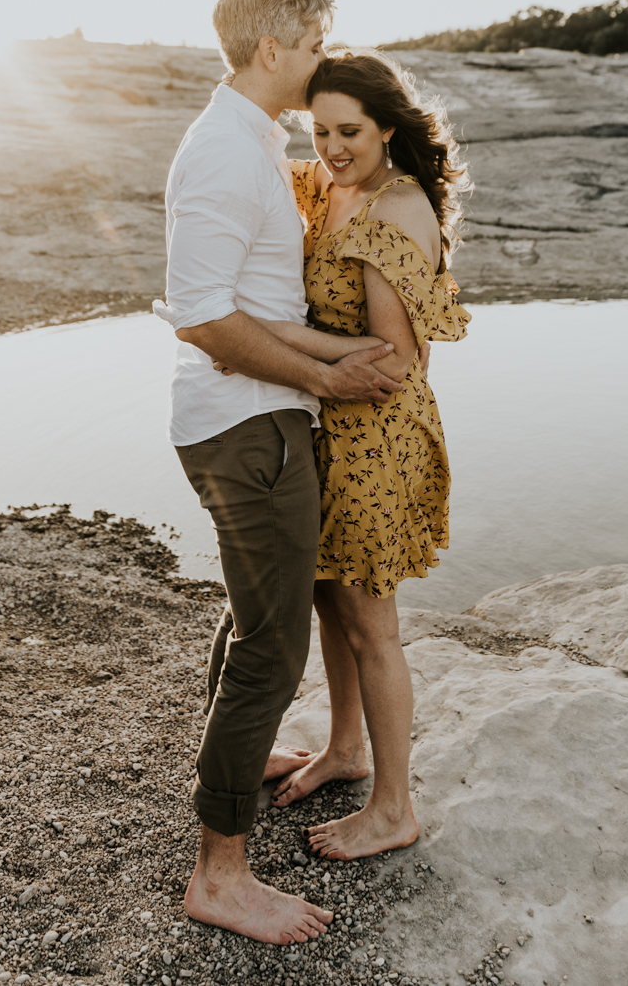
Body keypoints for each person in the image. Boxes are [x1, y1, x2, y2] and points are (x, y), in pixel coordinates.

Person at [154, 0, 405, 945]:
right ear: (272, 50)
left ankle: (234, 763)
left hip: (260, 413)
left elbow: (257, 306)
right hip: (244, 423)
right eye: (312, 43)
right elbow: (203, 317)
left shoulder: (253, 136)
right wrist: (332, 382)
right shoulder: (222, 150)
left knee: (253, 614)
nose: (320, 60)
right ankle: (219, 872)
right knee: (273, 646)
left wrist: (336, 358)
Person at [247, 50, 470, 860]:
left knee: (371, 625)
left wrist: (266, 334)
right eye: (320, 129)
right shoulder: (327, 186)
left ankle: (393, 806)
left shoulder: (395, 211)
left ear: (385, 128)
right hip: (324, 423)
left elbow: (392, 359)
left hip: (376, 436)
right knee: (326, 599)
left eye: (349, 131)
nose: (332, 146)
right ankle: (344, 750)